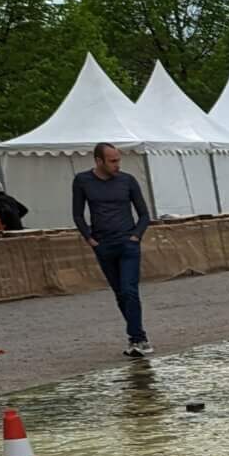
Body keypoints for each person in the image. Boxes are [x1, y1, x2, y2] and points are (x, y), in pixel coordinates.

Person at [71, 141, 152, 355]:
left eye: (118, 160)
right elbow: (78, 214)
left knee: (129, 289)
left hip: (127, 242)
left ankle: (137, 338)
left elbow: (144, 214)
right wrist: (90, 239)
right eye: (112, 161)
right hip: (103, 244)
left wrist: (135, 236)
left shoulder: (127, 181)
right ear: (99, 161)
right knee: (120, 293)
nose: (117, 165)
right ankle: (138, 337)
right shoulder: (82, 181)